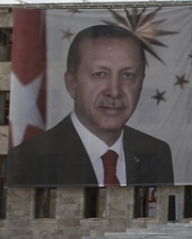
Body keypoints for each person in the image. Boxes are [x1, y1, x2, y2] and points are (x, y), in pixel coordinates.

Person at [9, 24, 174, 186]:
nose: (115, 91)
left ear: (141, 83)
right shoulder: (28, 158)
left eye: (128, 75)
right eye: (100, 74)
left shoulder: (157, 152)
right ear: (72, 83)